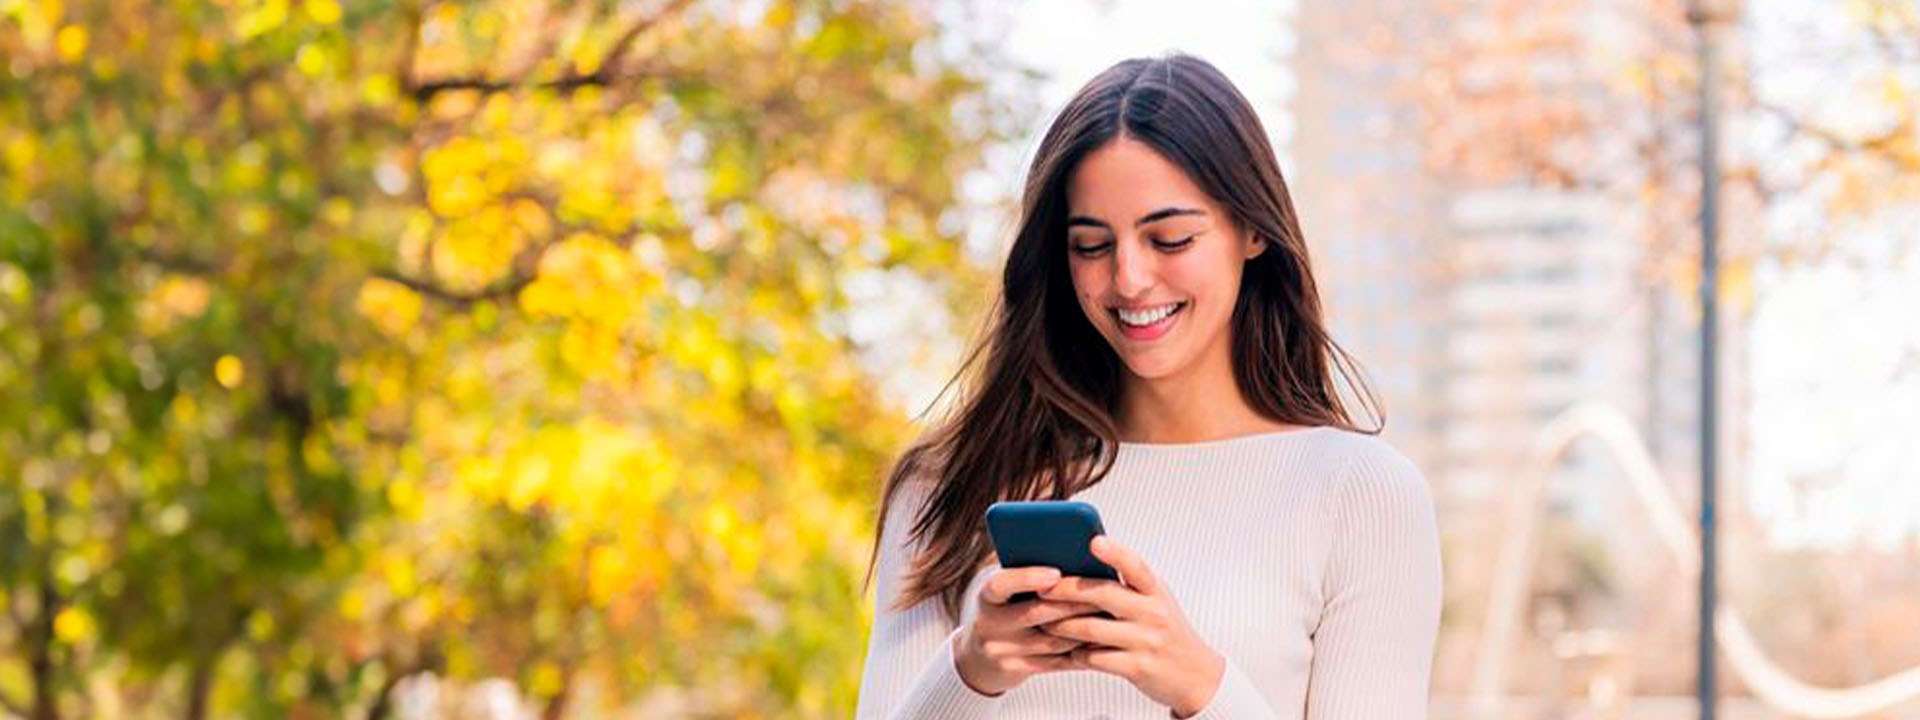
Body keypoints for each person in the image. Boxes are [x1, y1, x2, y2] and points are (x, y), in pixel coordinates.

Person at [853, 53, 1441, 719]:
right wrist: (970, 669)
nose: (1129, 279)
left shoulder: (1361, 495)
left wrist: (1200, 686)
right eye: (1092, 247)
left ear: (1252, 230)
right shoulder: (951, 482)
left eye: (1169, 239)